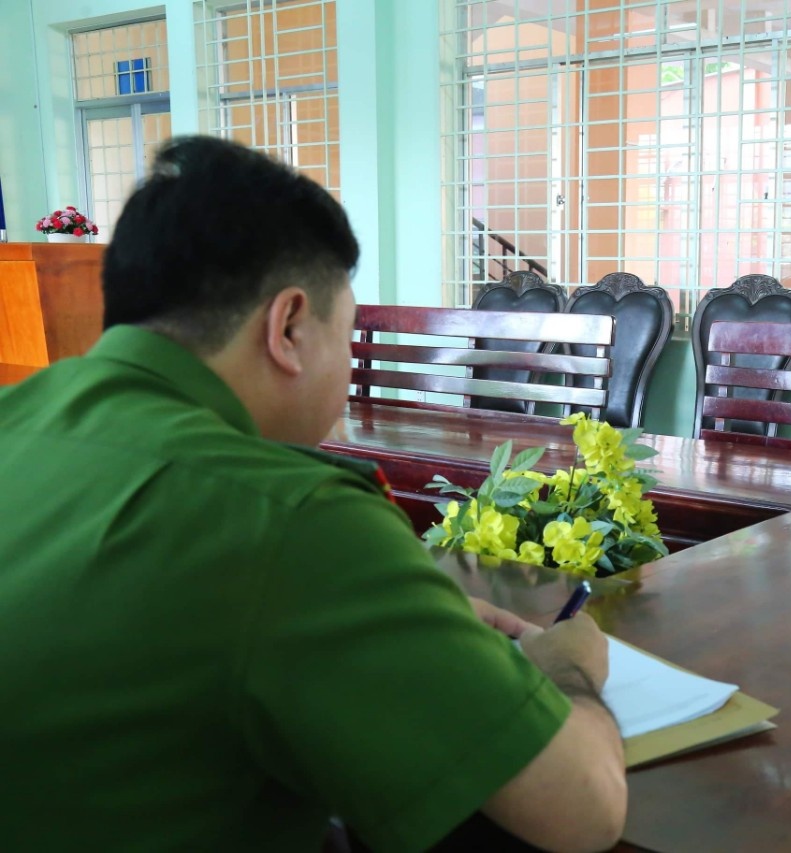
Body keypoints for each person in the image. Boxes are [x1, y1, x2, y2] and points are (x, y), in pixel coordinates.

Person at [0, 136, 626, 852]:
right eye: (349, 332)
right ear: (290, 326)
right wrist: (569, 669)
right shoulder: (287, 515)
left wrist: (398, 606)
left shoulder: (19, 419)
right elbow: (587, 810)